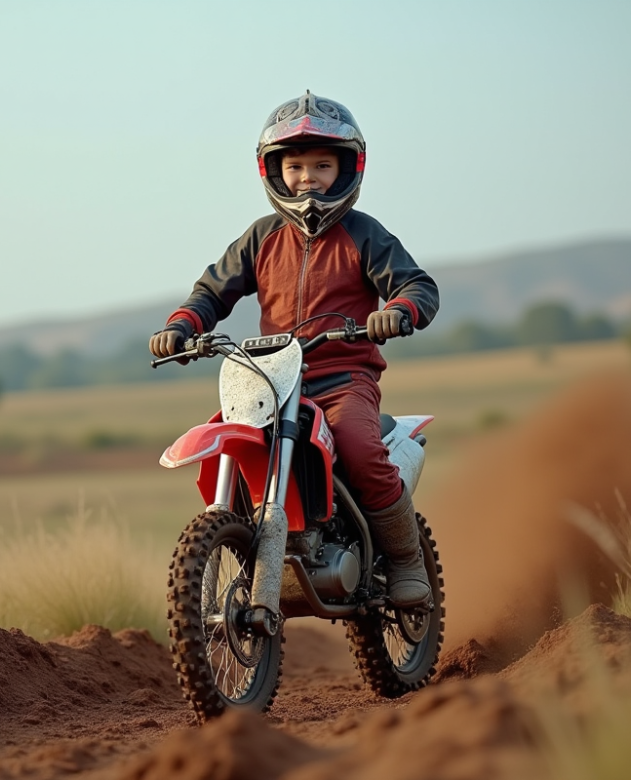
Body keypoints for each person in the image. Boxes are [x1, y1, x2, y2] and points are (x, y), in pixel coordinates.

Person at [148, 91, 440, 609]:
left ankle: (405, 559)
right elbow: (212, 292)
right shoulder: (261, 238)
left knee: (359, 448)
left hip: (343, 379)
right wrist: (182, 325)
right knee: (232, 440)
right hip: (271, 382)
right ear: (274, 171)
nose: (309, 178)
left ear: (347, 168)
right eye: (296, 166)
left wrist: (397, 311)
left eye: (322, 165)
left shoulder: (363, 234)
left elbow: (417, 286)